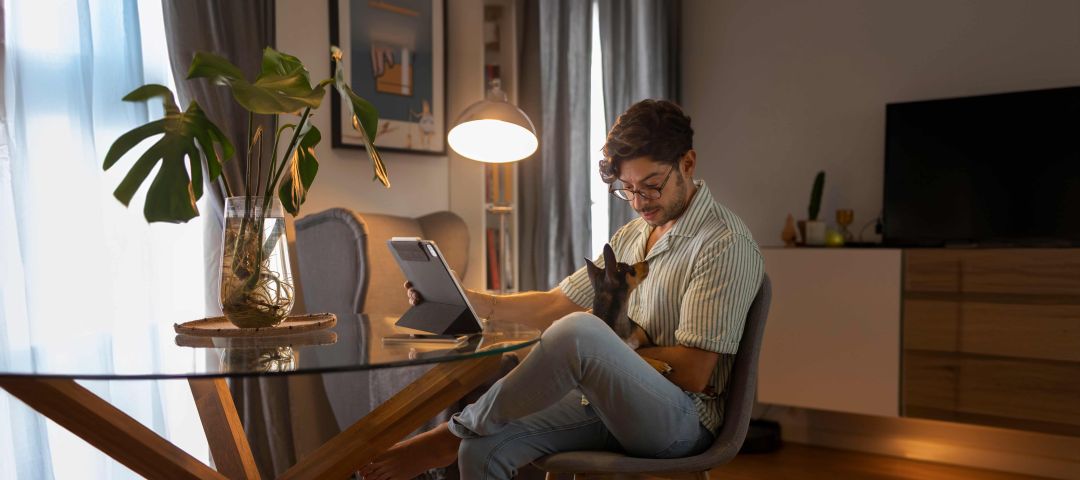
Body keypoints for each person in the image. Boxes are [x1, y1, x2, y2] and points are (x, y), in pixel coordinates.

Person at [359, 99, 764, 480]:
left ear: (688, 163)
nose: (639, 201)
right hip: (606, 405)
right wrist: (470, 299)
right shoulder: (634, 234)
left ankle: (451, 433)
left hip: (682, 421)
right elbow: (556, 303)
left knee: (580, 332)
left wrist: (605, 353)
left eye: (651, 186)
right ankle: (463, 439)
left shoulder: (723, 243)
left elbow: (694, 373)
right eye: (628, 189)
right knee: (481, 451)